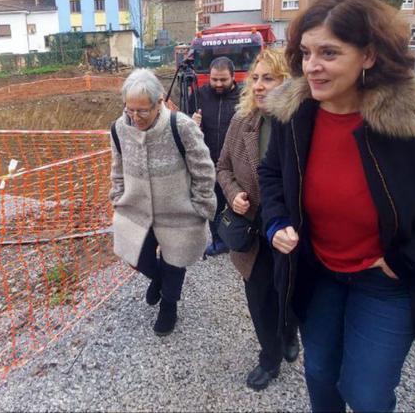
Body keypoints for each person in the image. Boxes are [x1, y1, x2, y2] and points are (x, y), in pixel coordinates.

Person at [258, 0, 415, 412]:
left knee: (366, 394)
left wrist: (410, 260)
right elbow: (271, 175)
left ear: (368, 55)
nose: (312, 65)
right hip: (320, 270)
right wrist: (275, 222)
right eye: (306, 52)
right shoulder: (294, 115)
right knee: (321, 376)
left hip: (386, 281)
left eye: (329, 52)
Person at [216, 48, 300, 391]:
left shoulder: (299, 124)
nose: (260, 86)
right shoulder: (242, 121)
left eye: (269, 78)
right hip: (251, 230)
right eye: (256, 78)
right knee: (259, 297)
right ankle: (270, 356)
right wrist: (233, 193)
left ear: (287, 82)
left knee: (289, 293)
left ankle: (290, 330)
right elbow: (222, 167)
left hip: (291, 231)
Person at [110, 69, 217, 336]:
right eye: (130, 110)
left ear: (159, 102)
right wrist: (117, 195)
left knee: (174, 261)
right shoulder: (120, 128)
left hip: (178, 213)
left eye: (142, 111)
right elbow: (117, 167)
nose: (136, 117)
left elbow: (203, 169)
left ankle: (169, 306)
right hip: (136, 211)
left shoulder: (180, 126)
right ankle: (157, 278)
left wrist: (201, 206)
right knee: (136, 256)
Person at [192, 56, 242, 257]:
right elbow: (183, 125)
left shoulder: (244, 97)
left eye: (223, 80)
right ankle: (219, 241)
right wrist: (191, 122)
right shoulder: (199, 95)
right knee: (213, 204)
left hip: (236, 165)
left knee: (237, 203)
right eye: (214, 80)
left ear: (233, 77)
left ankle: (240, 239)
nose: (218, 84)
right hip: (209, 162)